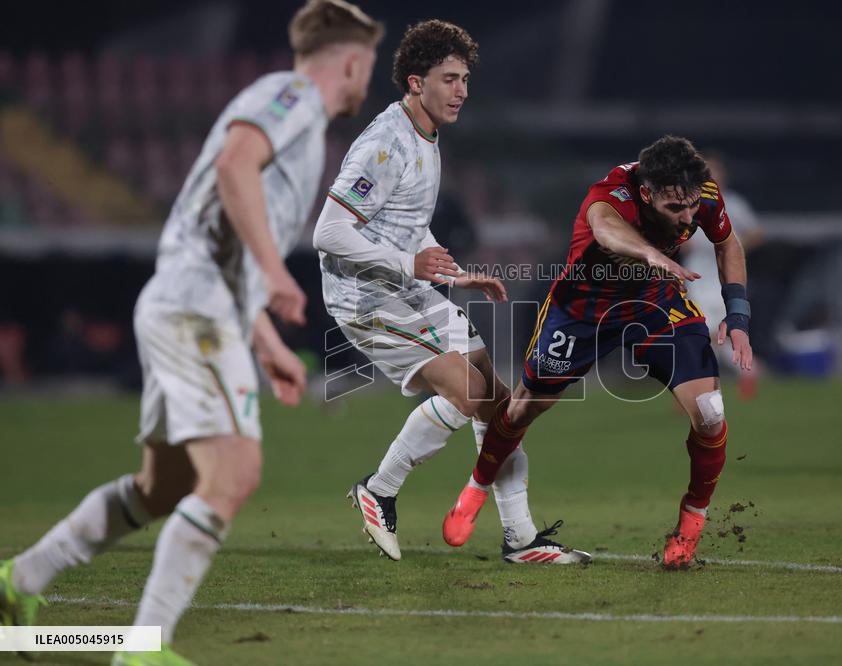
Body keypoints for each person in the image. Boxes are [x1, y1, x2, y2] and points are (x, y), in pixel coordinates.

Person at [0, 2, 383, 664]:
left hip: (191, 306)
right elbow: (235, 166)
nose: (364, 83)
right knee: (233, 474)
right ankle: (143, 649)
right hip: (193, 311)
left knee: (163, 487)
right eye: (368, 68)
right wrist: (276, 274)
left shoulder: (296, 122)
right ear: (351, 61)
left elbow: (224, 233)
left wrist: (266, 343)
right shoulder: (291, 95)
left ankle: (18, 581)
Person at [313, 20, 589, 565]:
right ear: (416, 83)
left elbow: (407, 226)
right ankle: (379, 489)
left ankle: (521, 538)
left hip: (408, 285)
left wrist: (453, 273)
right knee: (472, 397)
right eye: (449, 78)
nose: (461, 90)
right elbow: (327, 232)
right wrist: (408, 263)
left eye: (465, 78)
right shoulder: (384, 144)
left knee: (502, 404)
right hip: (365, 297)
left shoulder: (428, 137)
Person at [442, 135, 753, 569]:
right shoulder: (611, 193)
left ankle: (690, 524)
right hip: (583, 310)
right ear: (647, 194)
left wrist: (737, 315)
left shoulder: (698, 192)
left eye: (690, 208)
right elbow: (605, 229)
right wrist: (649, 252)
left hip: (654, 304)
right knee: (522, 409)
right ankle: (475, 490)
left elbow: (728, 243)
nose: (687, 217)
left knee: (710, 411)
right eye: (674, 210)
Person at [682, 152, 762, 399]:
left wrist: (733, 248)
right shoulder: (688, 204)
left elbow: (756, 233)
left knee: (717, 333)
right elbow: (677, 236)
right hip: (696, 275)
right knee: (700, 331)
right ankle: (705, 385)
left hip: (724, 275)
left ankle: (743, 373)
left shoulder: (734, 204)